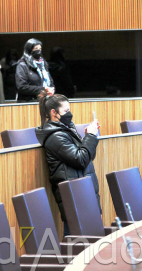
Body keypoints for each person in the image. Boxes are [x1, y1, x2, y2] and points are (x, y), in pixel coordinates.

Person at [35, 91, 101, 237]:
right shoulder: (56, 136)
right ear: (54, 112)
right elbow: (80, 159)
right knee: (75, 245)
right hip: (74, 197)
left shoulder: (66, 130)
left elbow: (88, 157)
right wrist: (90, 136)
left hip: (84, 192)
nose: (69, 114)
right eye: (66, 111)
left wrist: (89, 137)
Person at [16, 38, 55, 103]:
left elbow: (50, 81)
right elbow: (21, 86)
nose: (38, 51)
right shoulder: (22, 65)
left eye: (40, 49)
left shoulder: (43, 64)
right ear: (29, 50)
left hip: (44, 101)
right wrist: (43, 89)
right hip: (28, 102)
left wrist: (51, 89)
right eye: (36, 48)